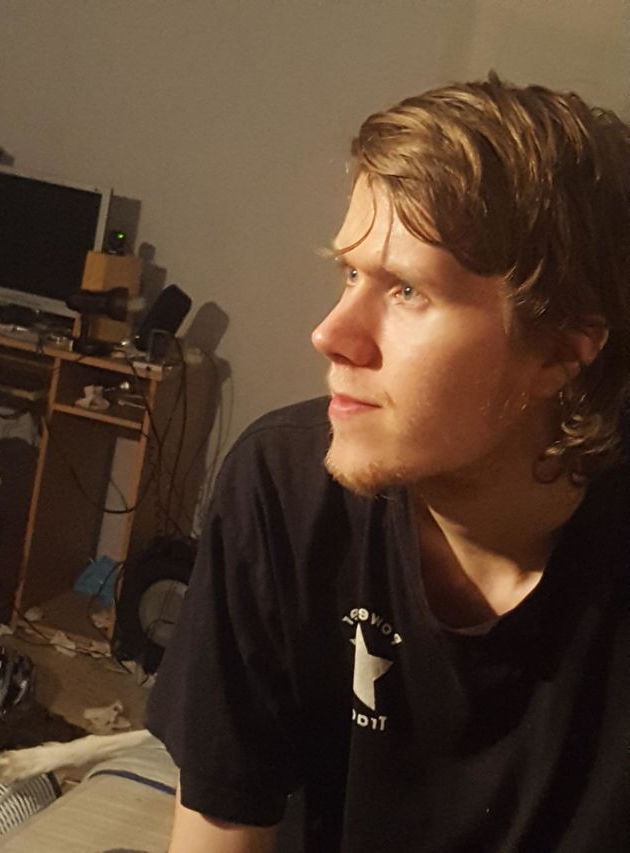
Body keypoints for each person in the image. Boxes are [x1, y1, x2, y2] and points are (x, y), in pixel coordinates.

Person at [147, 72, 630, 852]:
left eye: (406, 289)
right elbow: (221, 823)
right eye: (350, 273)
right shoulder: (282, 488)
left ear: (563, 348)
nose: (330, 334)